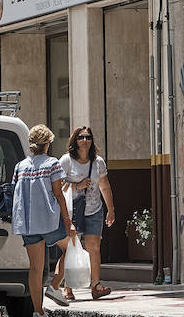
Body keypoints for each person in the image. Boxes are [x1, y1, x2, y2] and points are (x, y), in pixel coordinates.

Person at [11, 125, 76, 317]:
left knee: (35, 268)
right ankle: (54, 286)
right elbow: (58, 194)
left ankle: (38, 312)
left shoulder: (20, 166)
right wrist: (68, 221)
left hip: (28, 223)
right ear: (47, 144)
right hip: (50, 221)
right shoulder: (52, 163)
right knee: (71, 247)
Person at [51, 126, 116, 300]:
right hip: (72, 211)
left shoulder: (98, 162)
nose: (85, 140)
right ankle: (68, 288)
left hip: (94, 210)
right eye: (81, 137)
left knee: (94, 247)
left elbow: (104, 186)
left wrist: (111, 209)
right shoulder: (66, 160)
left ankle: (96, 286)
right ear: (75, 140)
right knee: (72, 249)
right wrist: (76, 186)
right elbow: (57, 186)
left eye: (88, 137)